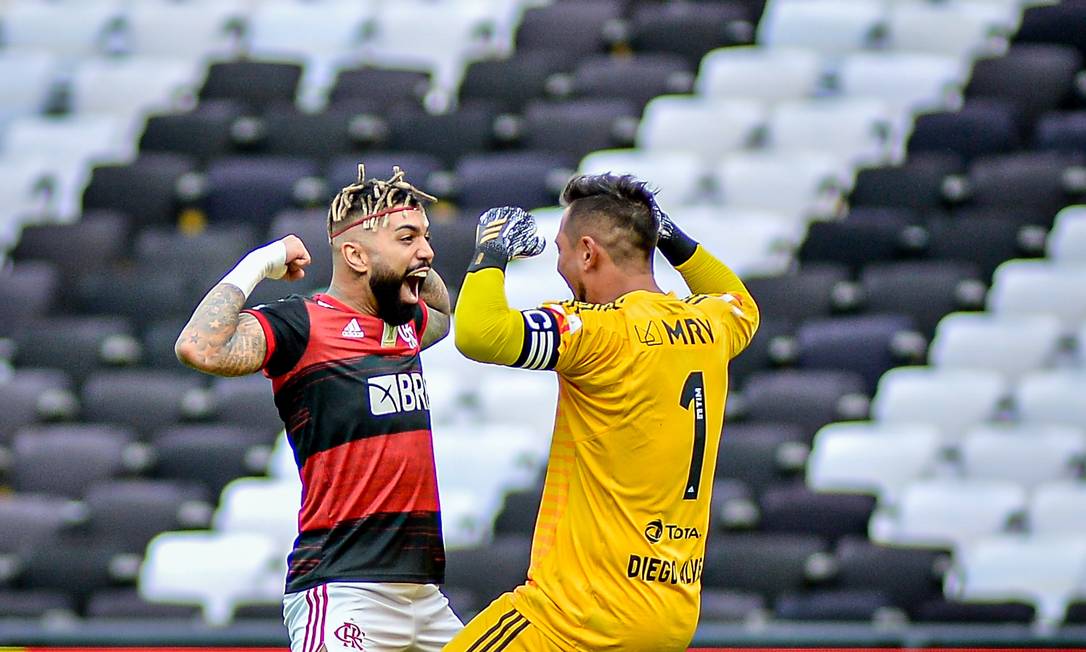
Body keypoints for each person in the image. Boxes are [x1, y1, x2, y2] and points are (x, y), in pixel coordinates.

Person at [446, 173, 760, 651]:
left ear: (589, 253)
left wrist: (490, 251)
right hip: (669, 614)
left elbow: (478, 333)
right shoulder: (711, 325)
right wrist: (669, 236)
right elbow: (743, 303)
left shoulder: (599, 334)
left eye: (561, 251)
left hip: (575, 616)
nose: (560, 265)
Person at [175, 165, 463, 652]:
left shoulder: (405, 327)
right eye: (409, 237)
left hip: (425, 595)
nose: (428, 251)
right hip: (345, 590)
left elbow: (442, 315)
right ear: (354, 254)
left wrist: (410, 257)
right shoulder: (302, 324)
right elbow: (198, 348)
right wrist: (258, 263)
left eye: (427, 238)